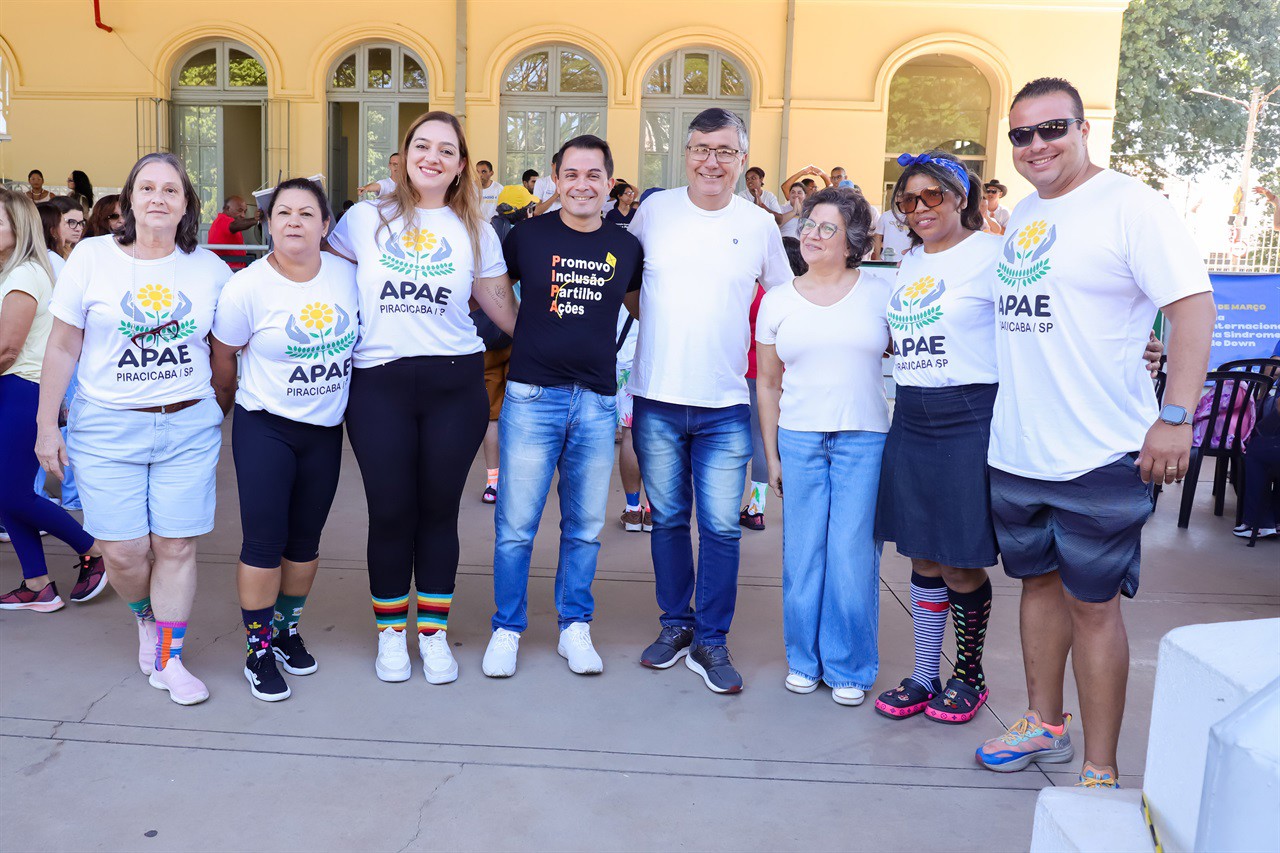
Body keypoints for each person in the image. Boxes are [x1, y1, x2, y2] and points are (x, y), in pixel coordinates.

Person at [974, 77, 1215, 788]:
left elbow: (1194, 310)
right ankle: (1044, 721)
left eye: (1052, 129)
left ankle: (1100, 767)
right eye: (1022, 134)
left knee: (1094, 603)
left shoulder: (1132, 207)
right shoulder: (1022, 213)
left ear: (1083, 129)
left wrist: (1175, 415)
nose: (1036, 145)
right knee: (1039, 587)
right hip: (1019, 449)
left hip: (1100, 451)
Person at [326, 111, 517, 685]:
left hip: (453, 384)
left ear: (462, 165)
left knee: (437, 512)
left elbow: (502, 308)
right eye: (422, 146)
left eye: (446, 150)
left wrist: (559, 349)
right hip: (378, 382)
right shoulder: (365, 219)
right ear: (404, 155)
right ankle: (390, 636)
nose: (432, 157)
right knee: (390, 511)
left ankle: (432, 635)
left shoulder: (477, 229)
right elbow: (322, 282)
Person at [37, 152, 233, 706]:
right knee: (123, 552)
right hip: (104, 427)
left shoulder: (209, 268)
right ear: (128, 200)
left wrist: (220, 406)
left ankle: (170, 656)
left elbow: (225, 349)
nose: (158, 198)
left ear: (186, 205)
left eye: (171, 190)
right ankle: (145, 618)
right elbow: (62, 343)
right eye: (147, 187)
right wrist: (46, 424)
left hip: (186, 425)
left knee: (175, 545)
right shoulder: (93, 258)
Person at [629, 107, 792, 694]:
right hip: (657, 397)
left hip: (727, 402)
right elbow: (625, 285)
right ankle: (675, 625)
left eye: (725, 151)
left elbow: (780, 299)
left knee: (722, 528)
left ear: (743, 159)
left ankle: (711, 640)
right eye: (702, 149)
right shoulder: (654, 212)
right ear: (686, 154)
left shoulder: (759, 226)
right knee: (669, 520)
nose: (712, 161)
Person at [481, 134, 643, 678]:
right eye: (571, 174)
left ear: (609, 181)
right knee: (516, 526)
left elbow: (641, 307)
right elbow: (493, 288)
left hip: (596, 401)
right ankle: (507, 628)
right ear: (556, 177)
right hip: (531, 398)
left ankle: (575, 626)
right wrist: (523, 332)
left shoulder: (627, 247)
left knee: (584, 526)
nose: (582, 184)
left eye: (593, 174)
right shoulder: (526, 237)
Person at [211, 178, 358, 702]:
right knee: (264, 543)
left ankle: (285, 631)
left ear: (325, 225)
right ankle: (257, 649)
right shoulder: (246, 287)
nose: (294, 221)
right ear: (268, 224)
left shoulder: (348, 276)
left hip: (324, 431)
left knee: (305, 544)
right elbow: (223, 358)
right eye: (283, 214)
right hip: (265, 426)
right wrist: (222, 409)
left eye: (306, 213)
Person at [872, 150, 1001, 724]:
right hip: (913, 413)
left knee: (958, 560)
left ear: (960, 198)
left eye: (932, 197)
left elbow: (1039, 329)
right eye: (907, 201)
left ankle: (968, 676)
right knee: (921, 554)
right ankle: (926, 674)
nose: (919, 209)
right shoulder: (911, 262)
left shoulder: (994, 256)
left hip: (968, 413)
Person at [756, 187, 892, 706]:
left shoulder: (881, 293)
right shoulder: (779, 299)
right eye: (808, 225)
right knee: (803, 554)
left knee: (853, 555)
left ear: (853, 239)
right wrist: (771, 456)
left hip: (865, 438)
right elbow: (768, 384)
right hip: (800, 438)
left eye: (826, 228)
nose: (811, 234)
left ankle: (849, 665)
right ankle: (803, 660)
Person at [0, 189, 106, 613]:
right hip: (21, 389)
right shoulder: (17, 270)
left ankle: (93, 549)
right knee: (7, 492)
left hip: (22, 389)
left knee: (11, 494)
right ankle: (37, 584)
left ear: (20, 226)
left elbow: (7, 348)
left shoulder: (24, 273)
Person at [615, 303, 649, 532]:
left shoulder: (625, 272)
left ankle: (633, 511)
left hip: (627, 359)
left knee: (629, 434)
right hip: (662, 363)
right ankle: (654, 510)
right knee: (662, 437)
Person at [740, 283, 770, 531]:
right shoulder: (777, 293)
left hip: (742, 371)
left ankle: (727, 506)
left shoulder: (746, 289)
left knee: (735, 441)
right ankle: (756, 509)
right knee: (761, 439)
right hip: (770, 372)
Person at [207, 195, 259, 271]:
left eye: (245, 212)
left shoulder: (223, 222)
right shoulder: (222, 221)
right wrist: (255, 220)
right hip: (230, 269)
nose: (243, 215)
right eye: (240, 210)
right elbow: (235, 225)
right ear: (227, 209)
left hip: (234, 266)